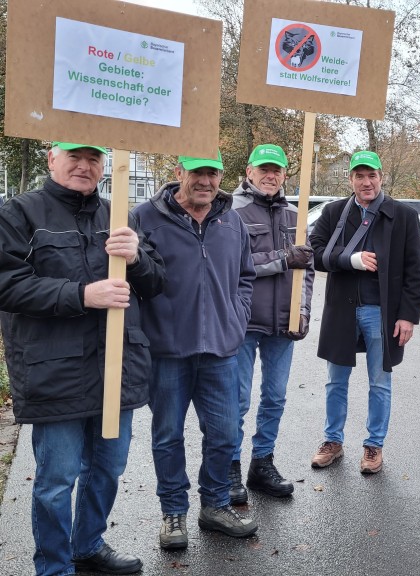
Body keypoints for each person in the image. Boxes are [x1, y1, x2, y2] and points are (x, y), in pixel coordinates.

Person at [0, 142, 165, 576]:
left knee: (109, 469)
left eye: (93, 158)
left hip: (117, 369)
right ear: (52, 158)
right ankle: (54, 567)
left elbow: (156, 283)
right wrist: (81, 295)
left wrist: (138, 257)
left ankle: (87, 545)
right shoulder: (20, 214)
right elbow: (7, 284)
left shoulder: (121, 215)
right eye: (74, 156)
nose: (84, 166)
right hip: (56, 372)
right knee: (56, 483)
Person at [132, 151, 259, 551]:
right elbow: (135, 280)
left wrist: (237, 317)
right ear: (178, 173)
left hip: (221, 350)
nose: (205, 181)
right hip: (167, 350)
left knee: (224, 433)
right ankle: (173, 512)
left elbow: (245, 277)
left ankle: (216, 504)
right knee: (168, 434)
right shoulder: (145, 218)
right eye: (197, 172)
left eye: (212, 173)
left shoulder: (232, 220)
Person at [308, 150, 420, 474]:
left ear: (381, 177)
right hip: (342, 311)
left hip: (381, 313)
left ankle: (374, 446)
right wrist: (349, 259)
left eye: (371, 175)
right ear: (351, 180)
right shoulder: (333, 213)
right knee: (335, 382)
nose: (366, 181)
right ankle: (332, 441)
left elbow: (414, 271)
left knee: (380, 383)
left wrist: (408, 315)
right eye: (359, 176)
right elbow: (315, 254)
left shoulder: (403, 215)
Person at [228, 144, 314, 502]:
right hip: (244, 322)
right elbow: (234, 263)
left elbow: (306, 268)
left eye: (276, 170)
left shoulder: (297, 214)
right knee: (237, 400)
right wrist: (281, 258)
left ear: (284, 175)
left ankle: (262, 463)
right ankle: (229, 468)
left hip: (283, 324)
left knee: (275, 398)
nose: (270, 175)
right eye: (263, 169)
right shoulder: (233, 212)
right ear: (249, 172)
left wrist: (303, 311)